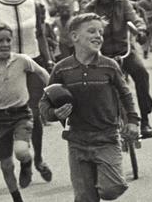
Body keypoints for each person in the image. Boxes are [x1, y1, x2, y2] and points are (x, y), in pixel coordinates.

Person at [40, 13, 139, 202]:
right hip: (77, 142)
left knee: (111, 189)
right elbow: (45, 102)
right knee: (85, 198)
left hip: (107, 138)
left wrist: (133, 121)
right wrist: (54, 113)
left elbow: (125, 95)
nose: (98, 36)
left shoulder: (109, 66)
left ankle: (104, 182)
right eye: (92, 31)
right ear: (75, 37)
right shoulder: (62, 69)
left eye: (101, 32)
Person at [0, 0, 55, 183]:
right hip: (8, 66)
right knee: (12, 114)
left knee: (34, 114)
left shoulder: (33, 5)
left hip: (32, 60)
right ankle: (23, 158)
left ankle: (38, 160)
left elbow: (40, 35)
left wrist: (49, 60)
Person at [0, 23, 49, 202]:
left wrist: (52, 89)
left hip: (22, 114)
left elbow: (42, 72)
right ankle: (17, 198)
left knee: (22, 151)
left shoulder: (21, 60)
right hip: (0, 119)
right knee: (6, 165)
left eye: (8, 40)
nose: (5, 44)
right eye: (0, 41)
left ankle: (27, 163)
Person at [83, 0, 152, 138]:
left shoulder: (123, 4)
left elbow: (135, 20)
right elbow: (82, 27)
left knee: (141, 72)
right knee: (90, 84)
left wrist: (141, 30)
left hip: (125, 51)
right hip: (102, 55)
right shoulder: (90, 8)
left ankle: (144, 119)